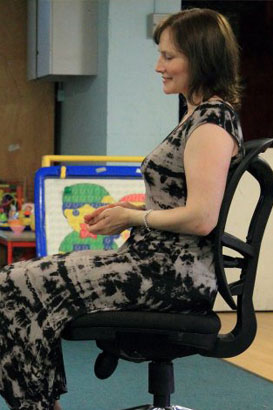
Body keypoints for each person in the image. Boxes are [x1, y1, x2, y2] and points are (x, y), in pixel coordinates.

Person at [0, 8, 244, 410]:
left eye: (169, 56)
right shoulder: (198, 117)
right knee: (14, 281)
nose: (158, 66)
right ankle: (42, 405)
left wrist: (132, 216)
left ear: (201, 58)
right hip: (152, 263)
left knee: (13, 285)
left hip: (170, 276)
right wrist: (125, 212)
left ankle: (38, 406)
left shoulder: (212, 123)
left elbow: (202, 217)